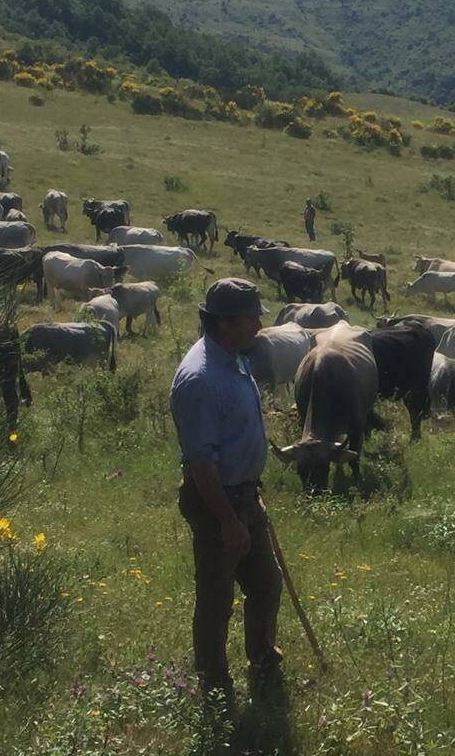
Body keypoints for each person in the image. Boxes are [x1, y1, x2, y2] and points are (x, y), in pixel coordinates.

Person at [169, 277, 283, 706]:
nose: (259, 322)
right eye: (251, 316)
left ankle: (262, 658)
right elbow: (200, 464)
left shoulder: (234, 357)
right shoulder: (198, 378)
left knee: (266, 585)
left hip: (244, 495)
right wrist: (228, 519)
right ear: (223, 322)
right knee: (217, 599)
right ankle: (214, 685)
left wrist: (250, 490)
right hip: (219, 503)